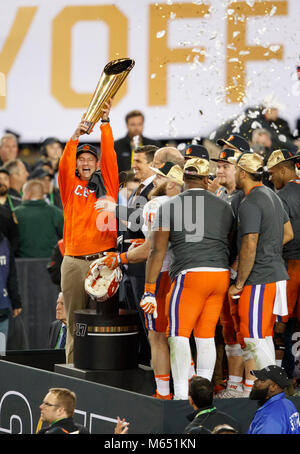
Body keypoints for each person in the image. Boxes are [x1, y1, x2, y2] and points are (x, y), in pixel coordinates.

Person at [141, 155, 234, 399]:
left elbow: (156, 250)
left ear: (184, 178)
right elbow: (232, 241)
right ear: (206, 179)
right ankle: (203, 395)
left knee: (178, 335)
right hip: (220, 275)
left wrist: (150, 289)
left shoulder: (168, 206)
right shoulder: (224, 205)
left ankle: (183, 396)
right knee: (205, 336)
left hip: (190, 275)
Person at [97, 162, 184, 399]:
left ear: (172, 182)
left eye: (160, 177)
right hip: (182, 275)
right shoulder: (189, 202)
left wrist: (120, 257)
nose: (154, 181)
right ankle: (188, 390)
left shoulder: (156, 204)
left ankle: (165, 392)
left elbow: (152, 249)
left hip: (160, 276)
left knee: (157, 337)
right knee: (181, 335)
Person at [228, 152, 294, 395]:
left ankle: (272, 392)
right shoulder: (273, 196)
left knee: (254, 337)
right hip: (275, 275)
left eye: (235, 170)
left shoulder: (251, 201)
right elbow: (288, 234)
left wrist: (239, 282)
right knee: (264, 336)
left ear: (243, 173)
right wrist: (271, 250)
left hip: (260, 279)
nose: (234, 174)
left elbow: (249, 245)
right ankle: (272, 391)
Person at [59, 99, 119, 364]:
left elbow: (109, 156)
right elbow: (63, 164)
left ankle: (103, 375)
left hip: (103, 261)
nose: (85, 162)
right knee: (74, 324)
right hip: (73, 263)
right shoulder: (69, 187)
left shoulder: (109, 185)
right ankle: (73, 371)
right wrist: (75, 136)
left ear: (97, 164)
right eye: (80, 158)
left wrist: (105, 123)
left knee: (105, 323)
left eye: (90, 158)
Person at [267, 149, 300, 377]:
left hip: (289, 266)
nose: (270, 178)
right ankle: (295, 374)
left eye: (272, 173)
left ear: (283, 169)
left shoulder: (280, 198)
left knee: (279, 324)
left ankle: (280, 377)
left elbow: (278, 237)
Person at [37, 387, 128, 434]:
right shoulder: (82, 430)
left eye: (47, 404)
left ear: (60, 410)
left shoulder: (50, 433)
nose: (41, 407)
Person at [14, 180, 64, 258]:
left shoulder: (16, 213)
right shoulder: (55, 212)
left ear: (28, 193)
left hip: (22, 263)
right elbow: (67, 237)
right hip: (50, 263)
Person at [248, 365, 300, 434]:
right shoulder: (288, 403)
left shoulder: (269, 418)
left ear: (273, 387)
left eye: (261, 380)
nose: (255, 381)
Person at [0, 231, 22, 352]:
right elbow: (12, 275)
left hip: (3, 309)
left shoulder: (5, 242)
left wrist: (15, 301)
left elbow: (11, 275)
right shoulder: (5, 242)